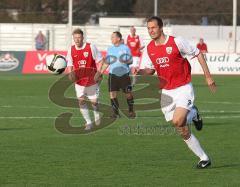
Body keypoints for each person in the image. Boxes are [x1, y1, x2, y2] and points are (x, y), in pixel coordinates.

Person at [139, 16, 216, 169]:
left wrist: (208, 77)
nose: (151, 31)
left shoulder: (177, 41)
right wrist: (139, 72)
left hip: (183, 88)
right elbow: (150, 69)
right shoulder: (149, 49)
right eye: (148, 28)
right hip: (166, 92)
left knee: (178, 121)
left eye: (153, 27)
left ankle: (193, 112)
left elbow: (198, 54)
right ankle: (204, 158)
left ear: (161, 28)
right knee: (181, 129)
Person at [66, 28, 103, 130]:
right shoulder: (71, 49)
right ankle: (88, 122)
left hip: (92, 79)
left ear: (83, 38)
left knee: (94, 102)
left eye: (79, 37)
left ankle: (96, 115)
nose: (77, 40)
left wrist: (99, 73)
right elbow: (69, 63)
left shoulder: (91, 47)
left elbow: (100, 61)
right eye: (75, 38)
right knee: (81, 101)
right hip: (79, 80)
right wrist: (70, 73)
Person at [95, 31, 135, 118]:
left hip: (124, 74)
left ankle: (131, 110)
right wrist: (100, 72)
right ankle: (115, 113)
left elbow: (131, 61)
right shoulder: (110, 49)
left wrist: (126, 60)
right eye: (111, 37)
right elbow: (107, 62)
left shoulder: (125, 48)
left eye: (113, 37)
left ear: (118, 38)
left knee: (128, 94)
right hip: (113, 75)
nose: (111, 38)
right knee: (112, 94)